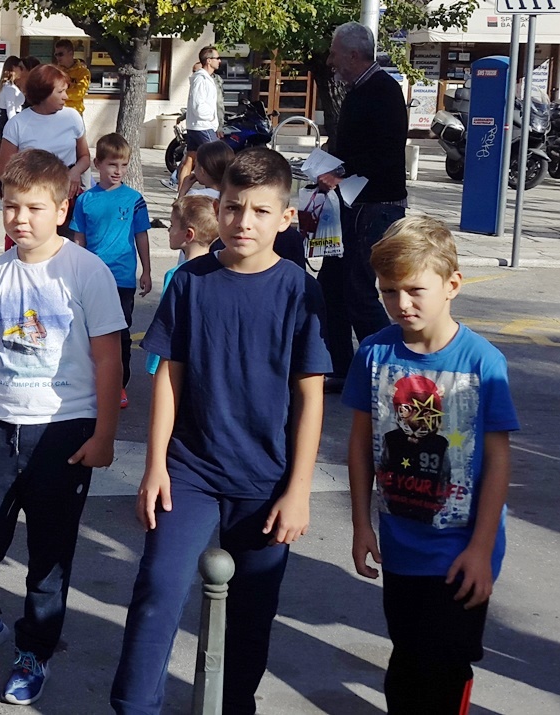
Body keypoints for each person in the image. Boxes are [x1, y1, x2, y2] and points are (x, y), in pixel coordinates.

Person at [111, 148, 331, 715]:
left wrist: (299, 490)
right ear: (218, 207)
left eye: (260, 211)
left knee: (253, 612)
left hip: (266, 479)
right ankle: (134, 705)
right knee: (158, 588)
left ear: (286, 217)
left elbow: (310, 397)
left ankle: (234, 706)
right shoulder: (191, 281)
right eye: (233, 207)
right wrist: (155, 466)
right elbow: (168, 377)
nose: (243, 222)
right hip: (190, 471)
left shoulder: (299, 290)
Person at [0, 149, 125, 707]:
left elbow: (109, 359)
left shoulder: (86, 272)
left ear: (61, 210)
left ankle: (34, 648)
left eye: (34, 208)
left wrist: (104, 435)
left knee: (48, 554)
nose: (20, 218)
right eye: (11, 207)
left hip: (62, 432)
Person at [343, 217, 519, 715]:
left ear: (452, 285)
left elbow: (498, 461)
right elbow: (359, 446)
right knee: (407, 660)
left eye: (415, 290)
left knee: (444, 666)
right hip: (401, 546)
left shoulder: (482, 362)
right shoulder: (374, 352)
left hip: (462, 550)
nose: (401, 303)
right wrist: (361, 525)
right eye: (388, 291)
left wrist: (481, 549)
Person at [319, 21, 409, 392]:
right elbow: (354, 145)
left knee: (359, 290)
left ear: (354, 55)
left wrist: (341, 171)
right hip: (352, 203)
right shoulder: (357, 90)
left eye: (335, 54)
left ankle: (392, 371)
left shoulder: (383, 90)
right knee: (331, 287)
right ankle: (341, 368)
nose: (330, 62)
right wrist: (326, 163)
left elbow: (385, 153)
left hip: (376, 207)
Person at [69, 133, 151, 408]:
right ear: (97, 164)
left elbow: (141, 235)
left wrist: (146, 270)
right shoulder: (85, 200)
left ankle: (118, 384)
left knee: (121, 333)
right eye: (112, 164)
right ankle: (90, 379)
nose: (118, 171)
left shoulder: (134, 199)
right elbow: (78, 239)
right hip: (92, 277)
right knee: (88, 330)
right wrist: (75, 271)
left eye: (124, 165)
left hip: (122, 278)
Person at [0, 64, 90, 240]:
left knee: (68, 249)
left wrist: (75, 172)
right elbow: (4, 172)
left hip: (66, 200)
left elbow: (85, 157)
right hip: (33, 204)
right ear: (44, 92)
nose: (66, 97)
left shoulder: (73, 117)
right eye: (60, 92)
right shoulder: (18, 124)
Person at [145, 194, 218, 378]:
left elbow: (166, 325)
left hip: (171, 363)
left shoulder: (177, 275)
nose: (168, 230)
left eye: (172, 225)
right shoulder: (217, 272)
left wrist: (154, 367)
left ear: (188, 234)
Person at [171, 47, 222, 196]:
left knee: (189, 159)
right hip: (202, 126)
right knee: (216, 158)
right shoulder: (201, 79)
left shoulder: (205, 78)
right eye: (217, 58)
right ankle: (213, 192)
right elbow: (198, 105)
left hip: (197, 126)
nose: (219, 61)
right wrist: (211, 117)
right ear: (209, 60)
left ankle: (181, 195)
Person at [53, 40, 90, 116]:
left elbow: (79, 93)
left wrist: (59, 94)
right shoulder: (56, 70)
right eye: (56, 55)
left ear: (71, 53)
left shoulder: (83, 72)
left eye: (60, 54)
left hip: (75, 113)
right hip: (57, 111)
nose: (58, 57)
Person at [0, 56, 25, 140]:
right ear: (14, 68)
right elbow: (10, 110)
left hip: (5, 120)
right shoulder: (9, 88)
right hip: (8, 121)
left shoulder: (8, 86)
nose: (22, 70)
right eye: (21, 67)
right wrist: (15, 129)